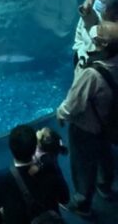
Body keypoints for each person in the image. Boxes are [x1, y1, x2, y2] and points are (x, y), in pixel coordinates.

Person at [57, 20, 118, 217]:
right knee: (105, 154)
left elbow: (74, 103)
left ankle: (82, 203)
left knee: (83, 165)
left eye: (100, 32)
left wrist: (61, 113)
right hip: (109, 123)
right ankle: (105, 186)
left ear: (104, 44)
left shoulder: (92, 74)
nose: (96, 31)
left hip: (86, 128)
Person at [0, 124, 69, 224]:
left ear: (11, 148)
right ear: (35, 147)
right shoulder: (50, 168)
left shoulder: (1, 177)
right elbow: (65, 198)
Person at [72, 0, 118, 75]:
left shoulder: (110, 32)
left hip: (102, 73)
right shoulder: (89, 12)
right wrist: (80, 51)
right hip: (84, 63)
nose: (96, 13)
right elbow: (80, 36)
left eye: (101, 9)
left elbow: (95, 34)